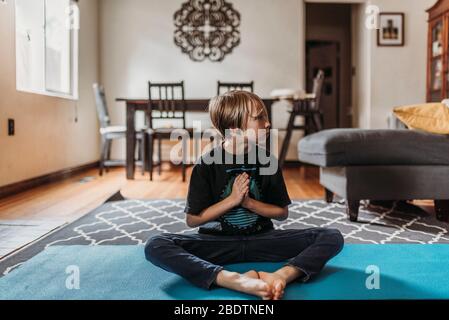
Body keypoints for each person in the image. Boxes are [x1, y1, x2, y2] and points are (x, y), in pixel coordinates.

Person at [145, 91, 344, 300]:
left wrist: (249, 203)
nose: (267, 124)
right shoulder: (206, 165)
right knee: (155, 244)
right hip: (217, 244)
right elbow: (193, 220)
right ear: (234, 128)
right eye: (259, 118)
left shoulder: (268, 161)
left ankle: (281, 276)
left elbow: (281, 213)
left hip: (263, 240)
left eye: (265, 117)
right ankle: (230, 279)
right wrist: (232, 201)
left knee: (331, 236)